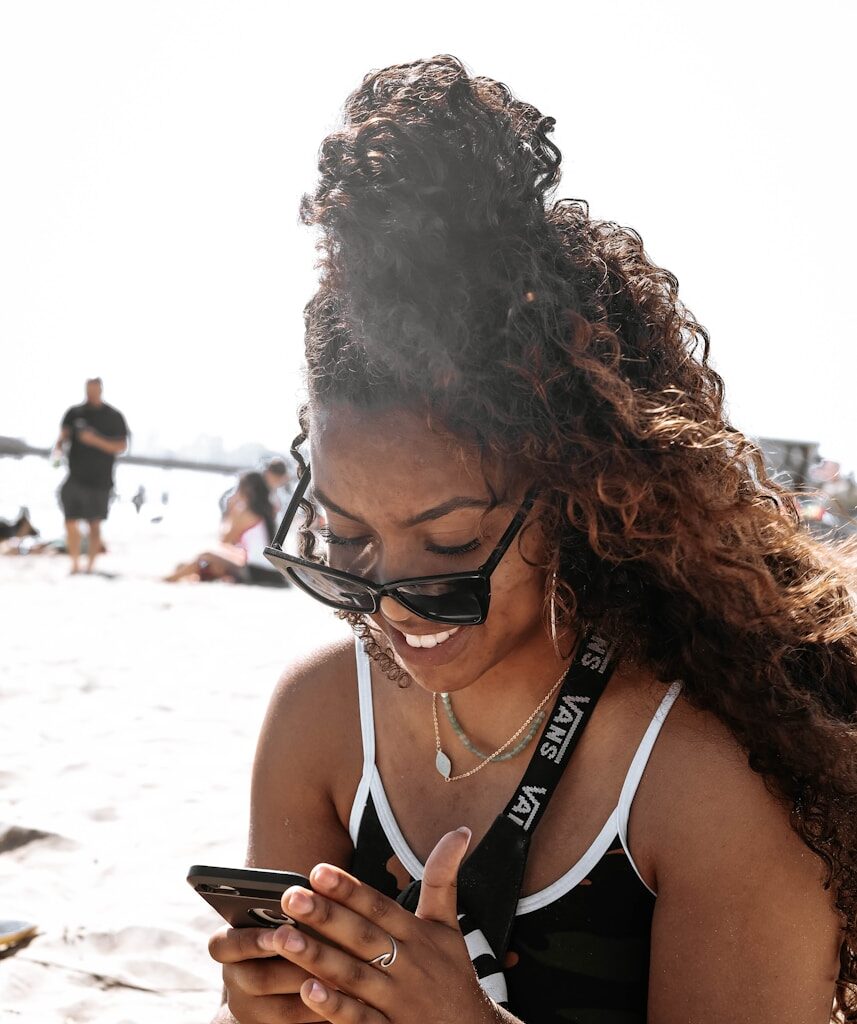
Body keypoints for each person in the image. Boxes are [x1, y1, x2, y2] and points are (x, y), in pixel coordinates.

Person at [206, 56, 856, 1024]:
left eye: (450, 540)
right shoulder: (319, 718)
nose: (388, 599)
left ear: (577, 493)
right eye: (343, 539)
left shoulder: (702, 778)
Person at [52, 377, 128, 574]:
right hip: (75, 476)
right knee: (70, 521)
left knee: (94, 524)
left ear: (100, 390)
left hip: (100, 480)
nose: (91, 393)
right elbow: (63, 436)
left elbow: (121, 446)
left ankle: (90, 566)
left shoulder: (113, 416)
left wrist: (95, 440)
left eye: (94, 390)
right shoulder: (74, 413)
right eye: (88, 389)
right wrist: (58, 449)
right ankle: (75, 563)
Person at [165, 471, 285, 586]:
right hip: (271, 571)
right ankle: (183, 575)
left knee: (205, 555)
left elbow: (224, 541)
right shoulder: (265, 512)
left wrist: (230, 511)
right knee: (200, 564)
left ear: (246, 491)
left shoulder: (247, 513)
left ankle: (168, 579)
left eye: (238, 488)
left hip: (256, 570)